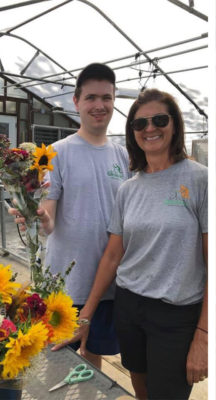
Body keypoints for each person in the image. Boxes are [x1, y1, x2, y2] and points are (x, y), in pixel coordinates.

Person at [62, 88, 208, 399]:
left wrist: (204, 336)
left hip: (176, 314)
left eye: (159, 119)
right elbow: (113, 255)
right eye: (139, 124)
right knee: (140, 389)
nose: (150, 128)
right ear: (132, 133)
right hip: (130, 306)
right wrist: (86, 314)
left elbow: (215, 266)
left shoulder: (199, 180)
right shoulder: (129, 188)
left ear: (175, 124)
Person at [11, 63, 130, 369]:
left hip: (108, 285)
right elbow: (48, 216)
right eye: (90, 97)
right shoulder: (56, 153)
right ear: (76, 102)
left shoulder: (124, 156)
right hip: (65, 284)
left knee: (93, 360)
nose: (99, 105)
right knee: (57, 359)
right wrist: (38, 217)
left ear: (115, 100)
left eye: (106, 97)